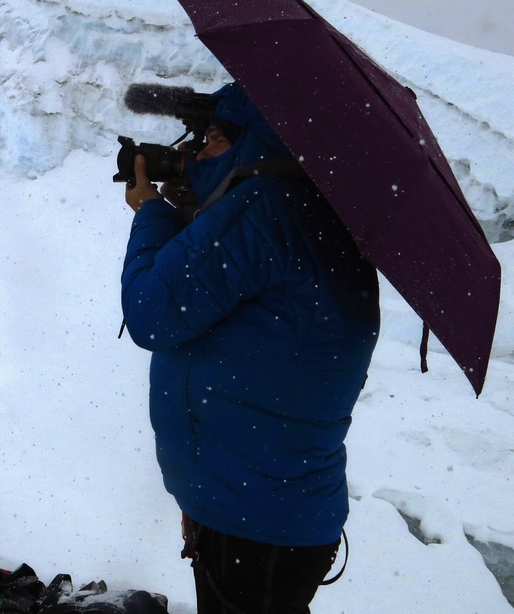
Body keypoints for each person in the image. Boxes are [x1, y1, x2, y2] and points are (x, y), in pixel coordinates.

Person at [121, 83, 380, 614]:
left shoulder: (264, 208)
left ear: (259, 146)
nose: (195, 155)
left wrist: (151, 210)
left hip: (254, 519)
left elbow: (151, 312)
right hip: (260, 505)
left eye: (213, 140)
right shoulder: (308, 210)